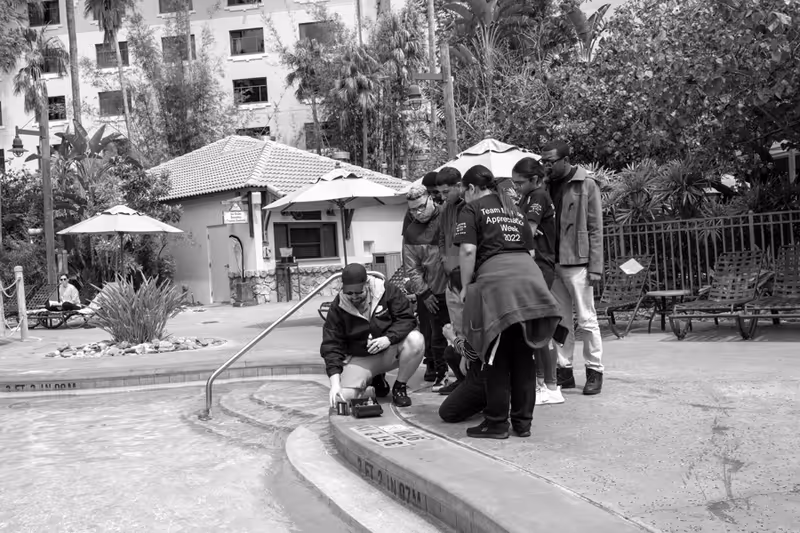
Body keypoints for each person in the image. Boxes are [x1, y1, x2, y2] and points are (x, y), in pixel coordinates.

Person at [454, 165, 561, 439]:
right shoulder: (514, 210)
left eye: (464, 192)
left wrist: (466, 287)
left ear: (472, 189)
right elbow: (531, 250)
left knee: (496, 357)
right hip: (530, 281)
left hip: (500, 286)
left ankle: (497, 423)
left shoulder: (472, 209)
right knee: (523, 353)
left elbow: (467, 250)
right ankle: (523, 423)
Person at [542, 140, 605, 395]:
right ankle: (564, 369)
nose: (546, 165)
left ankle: (595, 370)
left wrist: (596, 267)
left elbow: (596, 228)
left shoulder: (586, 184)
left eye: (550, 161)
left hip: (578, 262)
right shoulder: (544, 186)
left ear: (565, 160)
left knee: (587, 319)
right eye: (543, 161)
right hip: (553, 262)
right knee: (561, 320)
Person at [321, 263, 424, 408]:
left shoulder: (387, 291)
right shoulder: (338, 306)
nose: (354, 296)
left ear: (367, 284)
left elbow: (407, 319)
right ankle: (373, 382)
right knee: (342, 399)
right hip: (360, 357)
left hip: (389, 350)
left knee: (416, 340)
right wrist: (335, 384)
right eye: (349, 293)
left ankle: (399, 387)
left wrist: (389, 338)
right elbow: (331, 345)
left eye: (358, 292)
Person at [511, 157, 565, 406]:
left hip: (540, 267)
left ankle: (552, 385)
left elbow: (527, 231)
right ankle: (542, 381)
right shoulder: (527, 197)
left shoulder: (539, 196)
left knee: (541, 329)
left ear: (534, 179)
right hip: (530, 268)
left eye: (520, 183)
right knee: (532, 329)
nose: (517, 187)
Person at [404, 184, 451, 391]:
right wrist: (424, 292)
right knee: (437, 336)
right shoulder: (411, 231)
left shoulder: (450, 216)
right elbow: (411, 267)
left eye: (421, 207)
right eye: (413, 209)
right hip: (434, 292)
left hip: (460, 287)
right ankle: (442, 375)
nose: (418, 212)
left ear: (431, 199)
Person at [435, 167, 466, 395]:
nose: (443, 197)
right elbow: (442, 237)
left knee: (468, 330)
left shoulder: (472, 207)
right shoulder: (446, 209)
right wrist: (444, 257)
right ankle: (463, 378)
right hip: (450, 278)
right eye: (441, 193)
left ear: (459, 185)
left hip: (466, 279)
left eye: (447, 192)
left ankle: (473, 376)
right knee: (454, 331)